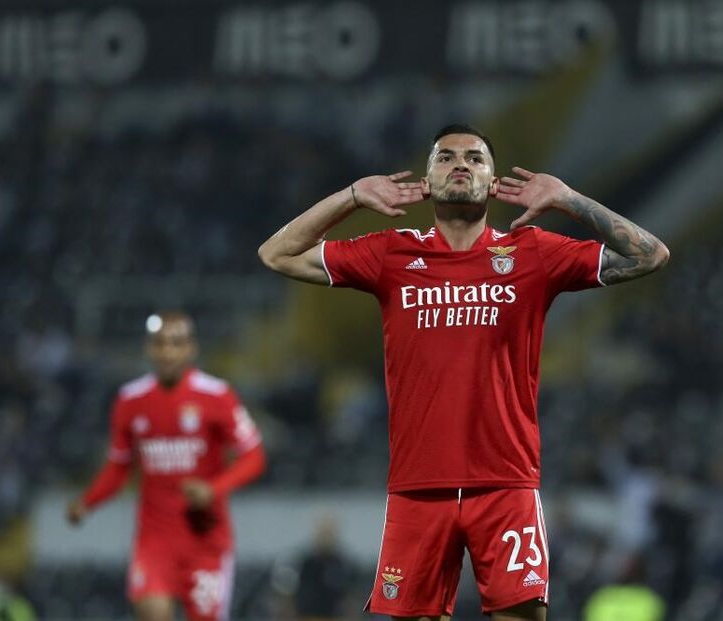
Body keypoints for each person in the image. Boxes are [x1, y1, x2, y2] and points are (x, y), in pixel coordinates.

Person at [258, 124, 669, 620]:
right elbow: (276, 254)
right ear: (427, 181)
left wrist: (568, 198)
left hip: (506, 485)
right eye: (446, 157)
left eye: (475, 159)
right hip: (417, 488)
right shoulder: (392, 252)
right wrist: (351, 196)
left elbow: (650, 254)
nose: (460, 164)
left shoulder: (532, 252)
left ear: (494, 184)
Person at [66, 312, 266, 621]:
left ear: (191, 349)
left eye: (176, 343)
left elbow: (254, 456)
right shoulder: (131, 400)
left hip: (206, 542)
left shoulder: (216, 395)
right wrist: (87, 503)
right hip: (155, 542)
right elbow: (118, 467)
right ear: (149, 349)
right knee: (151, 612)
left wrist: (212, 490)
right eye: (160, 344)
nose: (167, 352)